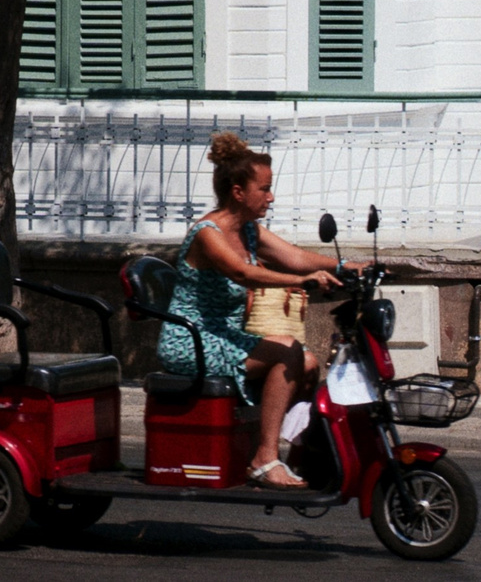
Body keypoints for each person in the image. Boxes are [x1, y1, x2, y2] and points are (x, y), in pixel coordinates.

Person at [159, 132, 371, 489]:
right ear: (238, 192)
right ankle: (264, 458)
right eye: (265, 189)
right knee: (287, 350)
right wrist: (301, 282)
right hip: (190, 340)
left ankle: (291, 451)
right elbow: (243, 273)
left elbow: (296, 257)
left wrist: (346, 267)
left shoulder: (249, 231)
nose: (271, 197)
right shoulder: (207, 234)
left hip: (224, 337)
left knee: (307, 363)